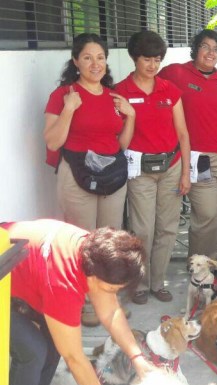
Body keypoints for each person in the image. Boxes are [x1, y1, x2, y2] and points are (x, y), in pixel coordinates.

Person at [5, 220, 153, 385]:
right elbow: (73, 356)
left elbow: (111, 313)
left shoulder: (96, 253)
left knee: (55, 338)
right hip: (4, 275)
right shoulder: (63, 282)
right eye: (111, 289)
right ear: (92, 277)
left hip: (19, 276)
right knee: (32, 350)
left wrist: (137, 357)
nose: (113, 295)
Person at [43, 33, 136, 327]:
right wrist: (70, 108)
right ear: (75, 61)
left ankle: (105, 303)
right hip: (77, 175)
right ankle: (83, 304)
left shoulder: (113, 97)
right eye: (87, 57)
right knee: (82, 242)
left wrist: (131, 116)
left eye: (100, 57)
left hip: (112, 176)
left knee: (108, 242)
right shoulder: (64, 95)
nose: (95, 64)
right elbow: (53, 141)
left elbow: (120, 143)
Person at [160, 29, 217, 265]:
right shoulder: (176, 73)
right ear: (196, 48)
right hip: (200, 158)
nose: (211, 53)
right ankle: (200, 264)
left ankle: (214, 262)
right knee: (206, 214)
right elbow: (148, 84)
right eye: (205, 46)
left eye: (216, 49)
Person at [115, 30, 191, 305]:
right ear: (135, 58)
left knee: (168, 228)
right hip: (140, 170)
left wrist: (185, 173)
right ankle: (139, 283)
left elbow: (183, 133)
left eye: (157, 59)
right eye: (147, 58)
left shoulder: (169, 90)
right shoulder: (121, 91)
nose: (152, 65)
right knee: (142, 229)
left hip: (171, 165)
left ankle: (158, 282)